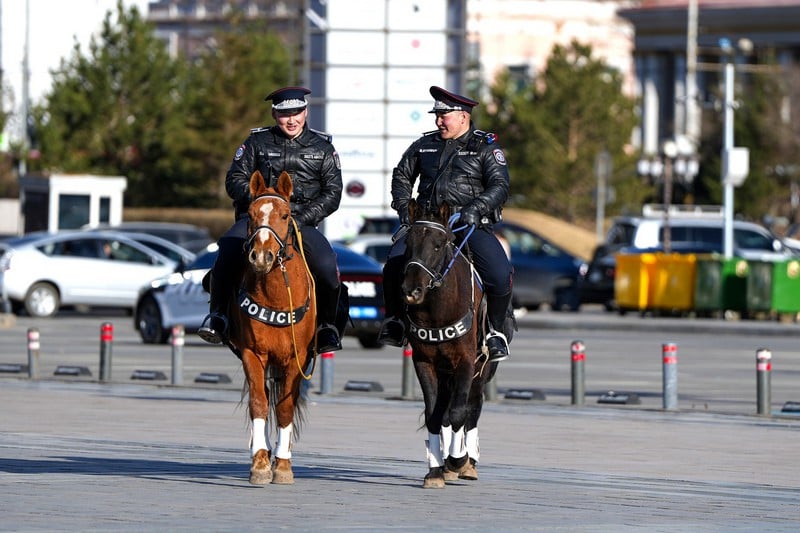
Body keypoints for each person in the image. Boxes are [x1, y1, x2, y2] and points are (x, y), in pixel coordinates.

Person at [198, 86, 344, 353]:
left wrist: (301, 217)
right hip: (258, 220)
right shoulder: (256, 143)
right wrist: (262, 201)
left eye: (297, 113)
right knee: (228, 249)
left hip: (300, 222)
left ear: (305, 112)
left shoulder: (323, 148)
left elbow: (332, 193)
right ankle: (217, 316)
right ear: (274, 114)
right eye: (284, 114)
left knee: (326, 266)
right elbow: (234, 180)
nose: (292, 120)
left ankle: (326, 327)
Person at [378, 86, 514, 362]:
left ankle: (496, 332)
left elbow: (500, 185)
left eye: (444, 115)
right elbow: (401, 175)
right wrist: (404, 208)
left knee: (500, 274)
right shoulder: (424, 145)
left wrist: (476, 209)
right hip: (428, 225)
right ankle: (395, 322)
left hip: (467, 225)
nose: (439, 121)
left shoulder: (485, 146)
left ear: (463, 116)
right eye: (437, 115)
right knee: (393, 265)